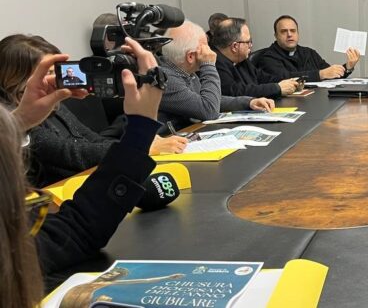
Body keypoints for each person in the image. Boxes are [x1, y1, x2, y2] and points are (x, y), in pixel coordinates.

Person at [0, 37, 163, 306]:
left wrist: (19, 122)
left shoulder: (48, 111)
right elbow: (75, 231)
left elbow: (74, 230)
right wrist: (140, 129)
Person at [0, 35, 187, 187]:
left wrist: (133, 145)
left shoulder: (54, 104)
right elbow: (73, 153)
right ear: (17, 79)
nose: (56, 79)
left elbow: (92, 139)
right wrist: (139, 146)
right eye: (48, 73)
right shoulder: (12, 121)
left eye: (56, 71)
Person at [157, 21, 274, 129]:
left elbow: (210, 100)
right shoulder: (166, 79)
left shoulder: (184, 71)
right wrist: (208, 64)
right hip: (171, 140)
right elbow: (209, 110)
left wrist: (249, 102)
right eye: (205, 46)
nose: (210, 51)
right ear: (191, 56)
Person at [254, 15, 361, 81]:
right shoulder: (268, 57)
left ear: (298, 33)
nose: (289, 34)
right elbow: (283, 77)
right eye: (283, 31)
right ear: (276, 36)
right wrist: (320, 74)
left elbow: (330, 73)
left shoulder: (309, 53)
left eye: (293, 31)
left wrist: (348, 66)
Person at [211, 17, 298, 98]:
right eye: (248, 42)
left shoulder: (241, 59)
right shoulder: (215, 63)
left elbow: (264, 78)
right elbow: (236, 92)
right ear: (235, 46)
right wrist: (277, 88)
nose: (251, 45)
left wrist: (293, 81)